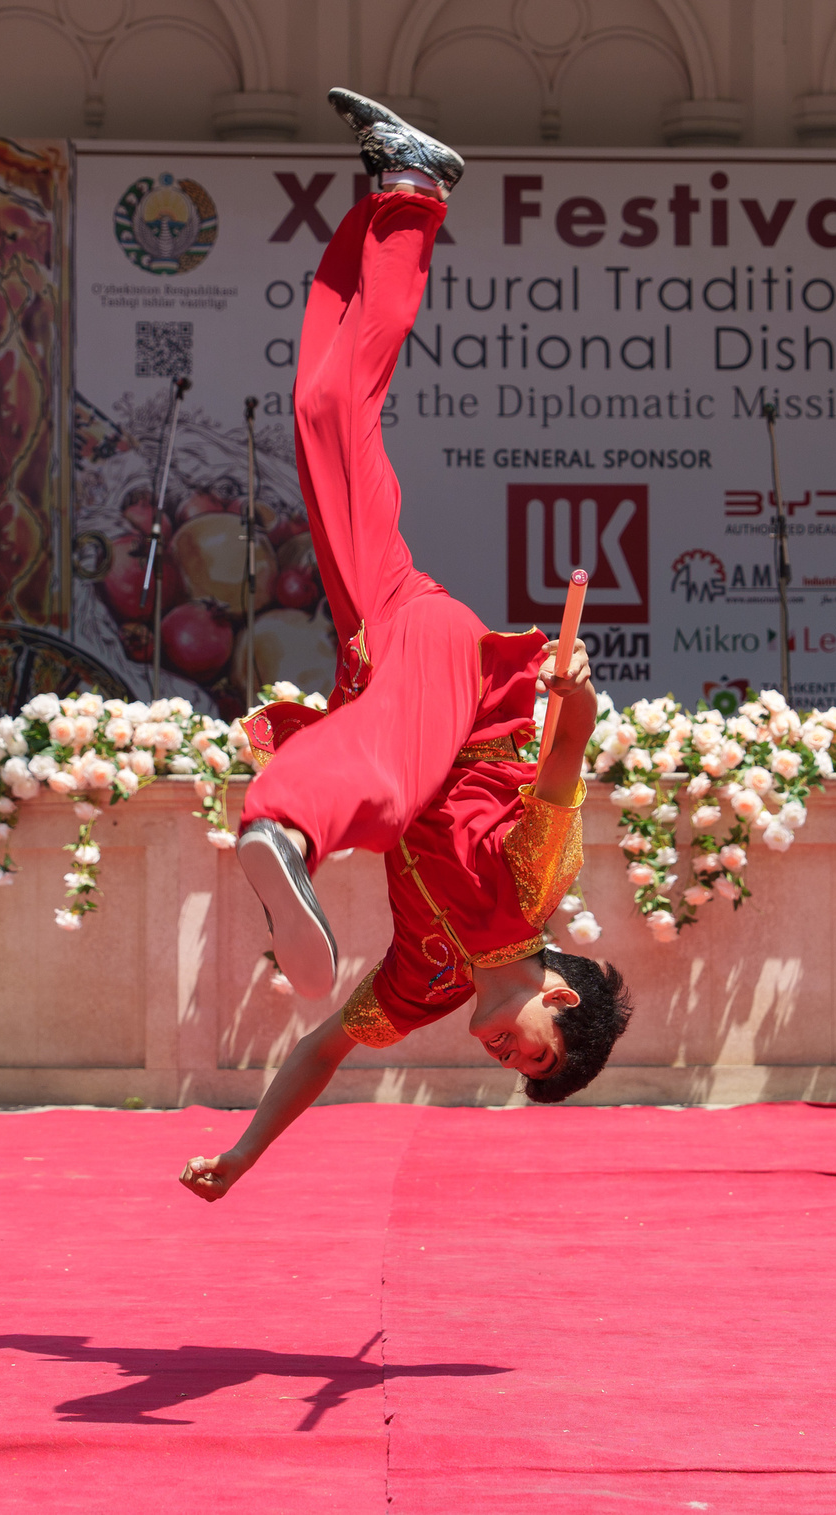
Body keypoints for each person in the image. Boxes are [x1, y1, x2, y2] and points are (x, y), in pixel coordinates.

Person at [182, 91, 633, 1203]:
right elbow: (564, 763)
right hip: (435, 675)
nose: (501, 1057)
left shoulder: (424, 988)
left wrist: (241, 1157)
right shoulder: (533, 886)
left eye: (515, 1070)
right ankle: (285, 827)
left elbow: (324, 1046)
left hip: (377, 636)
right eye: (529, 1051)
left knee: (329, 407)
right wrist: (570, 698)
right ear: (559, 998)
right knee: (384, 784)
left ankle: (406, 189)